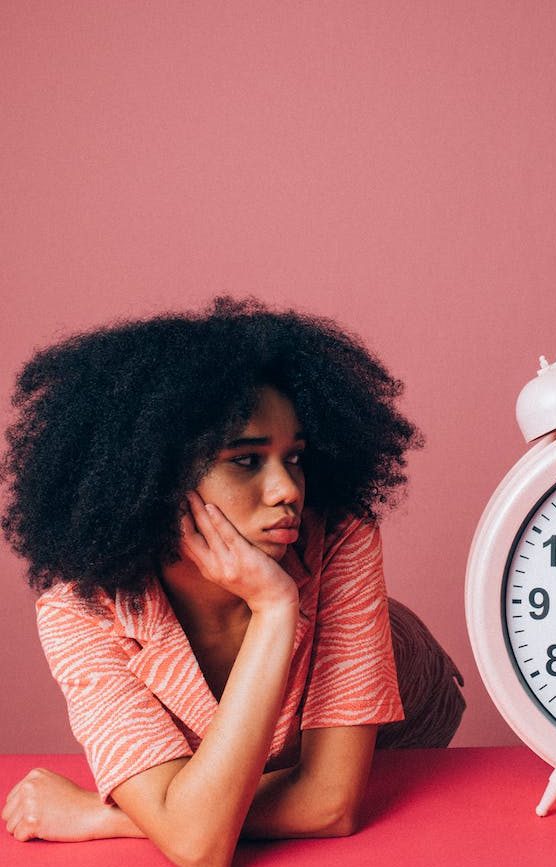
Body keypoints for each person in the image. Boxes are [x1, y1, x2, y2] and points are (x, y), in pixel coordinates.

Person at [0, 297, 463, 866]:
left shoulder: (341, 536)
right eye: (246, 461)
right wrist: (179, 817)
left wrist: (109, 817)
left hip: (397, 741)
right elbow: (199, 846)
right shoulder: (81, 611)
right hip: (229, 778)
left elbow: (328, 804)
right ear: (150, 476)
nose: (288, 491)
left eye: (294, 457)